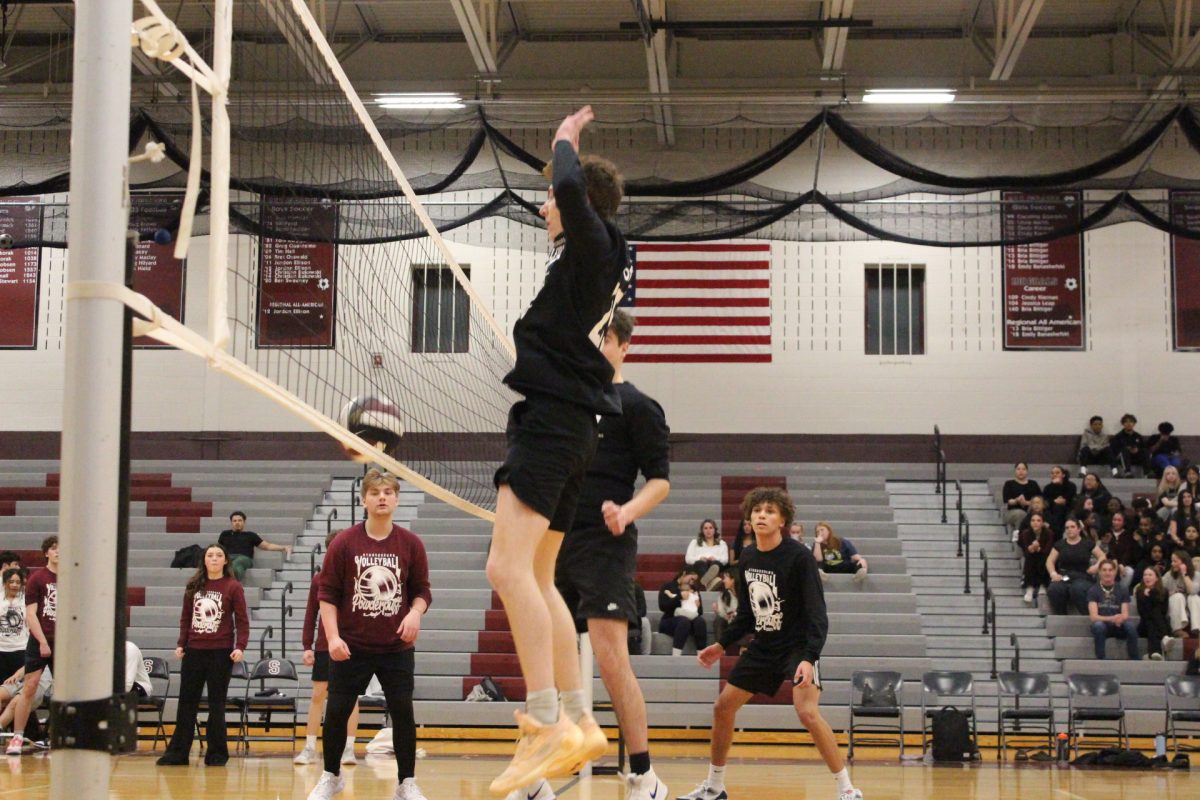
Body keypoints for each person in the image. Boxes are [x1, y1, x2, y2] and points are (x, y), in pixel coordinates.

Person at [484, 106, 631, 797]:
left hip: (552, 425)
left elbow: (572, 188)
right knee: (540, 578)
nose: (546, 205)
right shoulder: (595, 266)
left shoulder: (596, 245)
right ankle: (577, 717)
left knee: (506, 570)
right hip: (570, 428)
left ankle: (542, 725)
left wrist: (564, 141)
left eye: (550, 197)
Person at [518, 308, 671, 800]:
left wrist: (626, 512)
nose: (594, 347)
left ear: (623, 345)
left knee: (610, 658)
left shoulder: (639, 407)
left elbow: (661, 482)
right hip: (554, 540)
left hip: (605, 541)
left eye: (603, 338)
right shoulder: (568, 405)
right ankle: (536, 774)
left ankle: (644, 775)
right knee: (540, 658)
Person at [681, 487, 862, 800]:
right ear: (750, 518)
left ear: (782, 520)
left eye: (769, 511)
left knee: (807, 713)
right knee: (722, 707)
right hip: (764, 646)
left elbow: (818, 613)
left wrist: (809, 657)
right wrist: (721, 645)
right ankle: (714, 786)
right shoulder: (748, 557)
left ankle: (847, 789)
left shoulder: (800, 557)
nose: (761, 515)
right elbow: (748, 614)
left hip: (798, 647)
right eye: (757, 510)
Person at [308, 469, 432, 800]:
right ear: (364, 500)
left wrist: (415, 613)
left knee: (403, 711)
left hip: (396, 648)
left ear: (396, 499)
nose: (382, 497)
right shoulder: (345, 543)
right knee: (335, 713)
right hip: (352, 646)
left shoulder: (411, 544)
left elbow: (422, 592)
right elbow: (327, 596)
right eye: (375, 492)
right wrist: (333, 638)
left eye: (388, 492)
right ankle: (331, 776)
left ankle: (406, 782)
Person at [155, 544, 248, 767]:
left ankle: (216, 754)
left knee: (217, 705)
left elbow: (242, 620)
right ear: (204, 560)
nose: (214, 559)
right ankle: (178, 753)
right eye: (210, 555)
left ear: (226, 561)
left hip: (220, 653)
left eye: (219, 556)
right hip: (194, 651)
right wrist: (181, 643)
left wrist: (240, 646)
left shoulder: (233, 586)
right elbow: (186, 618)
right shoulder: (194, 585)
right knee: (187, 703)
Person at [296, 530, 361, 768]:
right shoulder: (319, 579)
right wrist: (307, 645)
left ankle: (349, 749)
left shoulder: (358, 576)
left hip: (353, 645)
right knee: (317, 695)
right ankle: (310, 747)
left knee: (351, 698)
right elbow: (311, 614)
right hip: (325, 646)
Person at [5, 536, 57, 757]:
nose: (59, 552)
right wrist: (43, 641)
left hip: (62, 641)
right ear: (46, 552)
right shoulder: (38, 578)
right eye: (54, 549)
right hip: (40, 640)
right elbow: (31, 614)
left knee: (64, 692)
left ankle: (58, 736)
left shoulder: (72, 578)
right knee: (29, 687)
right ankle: (17, 736)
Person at [1045, 518, 1105, 615]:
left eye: (1072, 527)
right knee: (1054, 588)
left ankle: (1087, 616)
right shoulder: (1060, 544)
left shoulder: (1087, 543)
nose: (1069, 529)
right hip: (1065, 576)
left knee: (1077, 588)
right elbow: (1049, 561)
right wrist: (1053, 573)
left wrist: (1096, 566)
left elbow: (1102, 556)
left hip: (1083, 576)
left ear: (1078, 529)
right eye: (1067, 527)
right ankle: (1061, 616)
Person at [217, 511, 293, 582]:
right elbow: (218, 549)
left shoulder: (251, 535)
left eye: (240, 520)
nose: (237, 523)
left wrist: (283, 547)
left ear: (244, 522)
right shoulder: (225, 534)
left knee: (237, 563)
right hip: (228, 557)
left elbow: (267, 546)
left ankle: (231, 583)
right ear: (231, 523)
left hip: (244, 558)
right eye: (235, 521)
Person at [1087, 561, 1139, 660]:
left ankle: (1134, 658)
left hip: (1118, 625)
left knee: (1131, 626)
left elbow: (1125, 614)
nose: (1107, 573)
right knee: (1098, 626)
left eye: (1110, 570)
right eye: (1104, 570)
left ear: (1115, 572)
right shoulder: (1093, 590)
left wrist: (1119, 619)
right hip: (1103, 626)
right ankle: (1101, 658)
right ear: (1099, 572)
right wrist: (1112, 618)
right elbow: (1094, 617)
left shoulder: (1122, 589)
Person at [1161, 550, 1200, 656]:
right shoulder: (1169, 575)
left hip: (1191, 608)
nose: (1172, 564)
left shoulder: (1196, 575)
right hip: (1176, 608)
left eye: (1175, 561)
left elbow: (1192, 590)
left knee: (1194, 597)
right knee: (1177, 596)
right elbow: (1159, 589)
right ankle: (1177, 629)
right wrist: (1169, 593)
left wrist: (1185, 574)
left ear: (1184, 562)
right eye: (1172, 561)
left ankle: (1197, 628)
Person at [658, 569, 706, 656]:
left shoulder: (694, 589)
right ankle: (676, 656)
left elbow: (700, 611)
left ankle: (701, 655)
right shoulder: (668, 586)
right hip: (670, 619)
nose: (692, 582)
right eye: (691, 578)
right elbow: (662, 606)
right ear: (684, 574)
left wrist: (698, 606)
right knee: (684, 622)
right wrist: (679, 597)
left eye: (694, 580)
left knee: (700, 621)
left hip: (689, 620)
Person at [1134, 567, 1171, 661]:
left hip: (1155, 624)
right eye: (1145, 575)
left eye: (1150, 575)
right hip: (1144, 626)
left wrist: (1152, 594)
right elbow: (1142, 613)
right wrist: (1147, 598)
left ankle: (1155, 653)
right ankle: (1164, 637)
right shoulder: (1139, 591)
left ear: (1157, 578)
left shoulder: (1164, 592)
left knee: (1152, 623)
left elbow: (1164, 611)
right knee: (1150, 620)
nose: (1147, 577)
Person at [1018, 513, 1053, 605]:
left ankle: (1043, 585)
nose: (1035, 523)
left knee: (1044, 559)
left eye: (1038, 520)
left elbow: (1048, 551)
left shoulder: (1049, 533)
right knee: (1030, 558)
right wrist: (1031, 549)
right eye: (1033, 520)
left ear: (1042, 522)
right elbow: (1025, 551)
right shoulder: (1026, 533)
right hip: (1031, 558)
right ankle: (1029, 587)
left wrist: (1038, 549)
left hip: (1044, 557)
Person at [0, 569, 26, 686]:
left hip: (21, 648)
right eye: (11, 581)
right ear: (5, 583)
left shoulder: (25, 599)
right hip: (1, 649)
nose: (14, 585)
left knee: (18, 687)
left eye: (17, 582)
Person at [686, 519, 729, 590]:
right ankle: (710, 583)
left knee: (715, 563)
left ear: (714, 530)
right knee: (700, 563)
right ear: (702, 530)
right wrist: (699, 558)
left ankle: (706, 582)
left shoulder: (722, 543)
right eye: (705, 528)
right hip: (701, 565)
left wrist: (715, 558)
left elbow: (725, 560)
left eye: (710, 528)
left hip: (715, 565)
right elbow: (688, 559)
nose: (708, 530)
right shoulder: (694, 542)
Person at [1002, 462, 1041, 539]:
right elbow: (1008, 501)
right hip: (1013, 511)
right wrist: (1017, 500)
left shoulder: (1033, 484)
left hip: (1030, 510)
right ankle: (1017, 538)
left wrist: (1026, 502)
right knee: (1021, 514)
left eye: (1023, 469)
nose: (1021, 471)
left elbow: (1039, 500)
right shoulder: (1009, 484)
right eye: (1018, 469)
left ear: (1027, 471)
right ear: (1015, 471)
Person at [1107, 513, 1142, 589]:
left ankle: (1121, 592)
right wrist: (1114, 561)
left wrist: (1122, 564)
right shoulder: (1107, 533)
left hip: (1124, 563)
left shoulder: (1128, 534)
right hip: (1109, 561)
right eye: (1114, 520)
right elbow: (1108, 549)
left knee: (1129, 572)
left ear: (1124, 522)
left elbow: (1128, 551)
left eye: (1119, 520)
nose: (1116, 522)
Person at [1042, 466, 1077, 535]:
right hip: (1052, 510)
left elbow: (1071, 499)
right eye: (1052, 473)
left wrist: (1063, 501)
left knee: (1061, 509)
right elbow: (1046, 501)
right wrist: (1054, 501)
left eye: (1057, 473)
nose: (1054, 475)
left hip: (1068, 508)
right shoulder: (1047, 488)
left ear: (1063, 475)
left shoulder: (1071, 486)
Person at [711, 568, 739, 645]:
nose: (723, 581)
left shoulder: (746, 594)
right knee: (718, 620)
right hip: (730, 623)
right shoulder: (723, 595)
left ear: (733, 579)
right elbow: (723, 615)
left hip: (742, 623)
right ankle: (720, 648)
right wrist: (718, 611)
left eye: (726, 578)